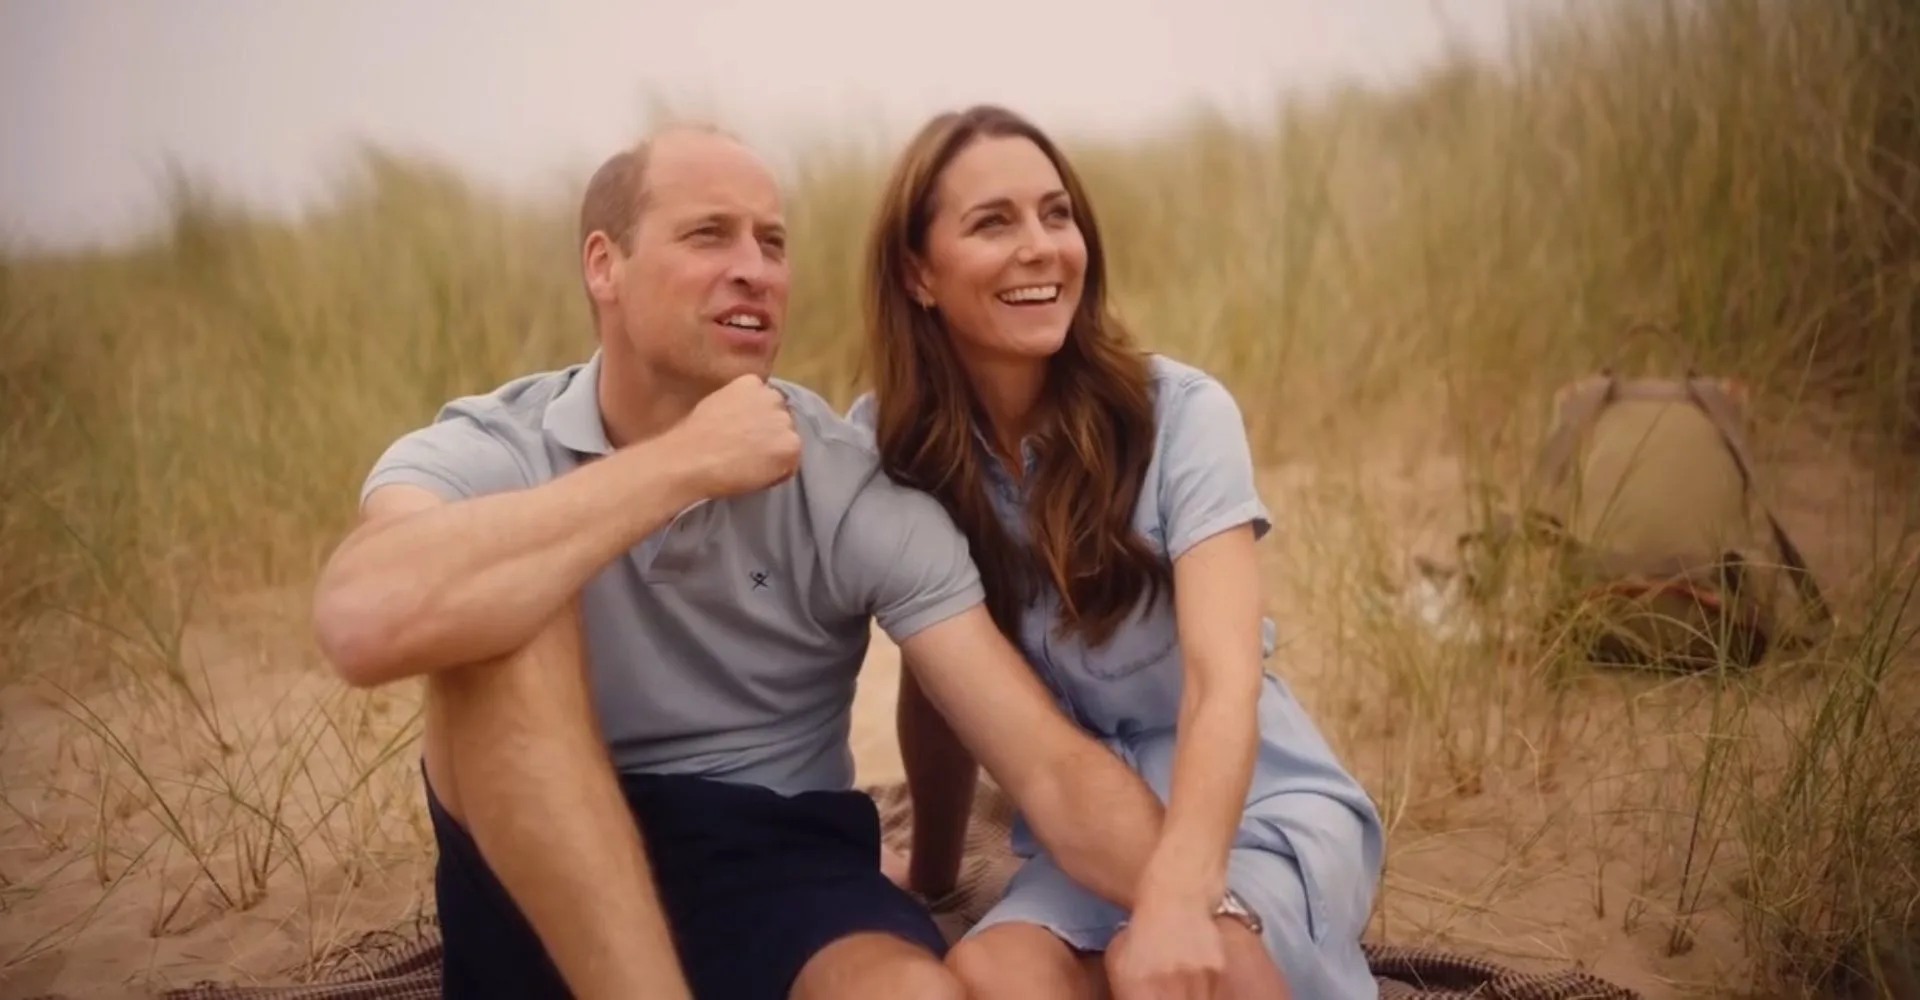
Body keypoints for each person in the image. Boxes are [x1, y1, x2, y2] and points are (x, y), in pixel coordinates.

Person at [309, 123, 1199, 1000]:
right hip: (534, 864)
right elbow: (361, 620)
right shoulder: (496, 446)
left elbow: (1043, 763)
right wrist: (680, 464)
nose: (756, 268)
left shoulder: (846, 483)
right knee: (508, 608)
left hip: (774, 860)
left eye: (772, 243)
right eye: (709, 234)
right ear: (603, 264)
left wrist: (1205, 907)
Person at [848, 104, 1388, 999]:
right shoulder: (896, 447)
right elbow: (937, 680)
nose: (1041, 247)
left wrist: (1181, 895)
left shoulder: (1180, 414)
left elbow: (1225, 681)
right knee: (988, 969)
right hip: (1086, 830)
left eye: (1056, 214)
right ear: (917, 272)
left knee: (1160, 968)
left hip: (1249, 809)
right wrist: (937, 875)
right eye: (994, 222)